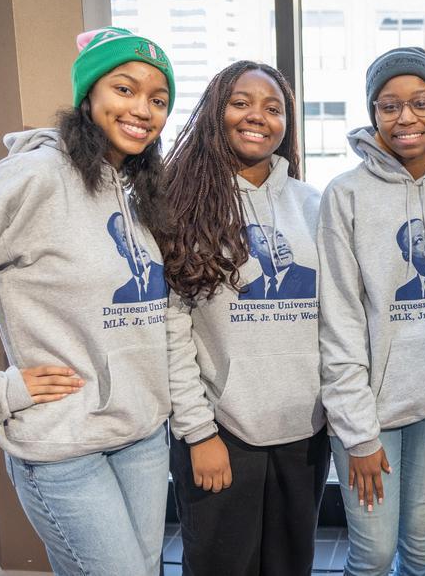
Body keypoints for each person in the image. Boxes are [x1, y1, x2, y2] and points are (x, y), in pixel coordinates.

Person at [0, 27, 195, 576]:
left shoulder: (140, 190)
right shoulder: (35, 176)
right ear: (88, 95)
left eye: (158, 99)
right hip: (63, 444)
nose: (143, 109)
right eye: (124, 89)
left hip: (141, 435)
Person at [159, 60, 328, 576]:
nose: (258, 116)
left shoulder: (313, 205)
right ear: (216, 112)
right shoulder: (182, 206)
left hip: (304, 431)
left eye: (273, 108)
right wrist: (198, 433)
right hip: (221, 431)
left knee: (291, 566)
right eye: (241, 103)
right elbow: (171, 331)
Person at [319, 47, 425, 576]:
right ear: (373, 113)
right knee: (374, 554)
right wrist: (357, 431)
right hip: (370, 412)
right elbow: (338, 319)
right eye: (389, 105)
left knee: (423, 548)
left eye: (421, 102)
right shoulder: (346, 195)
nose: (407, 117)